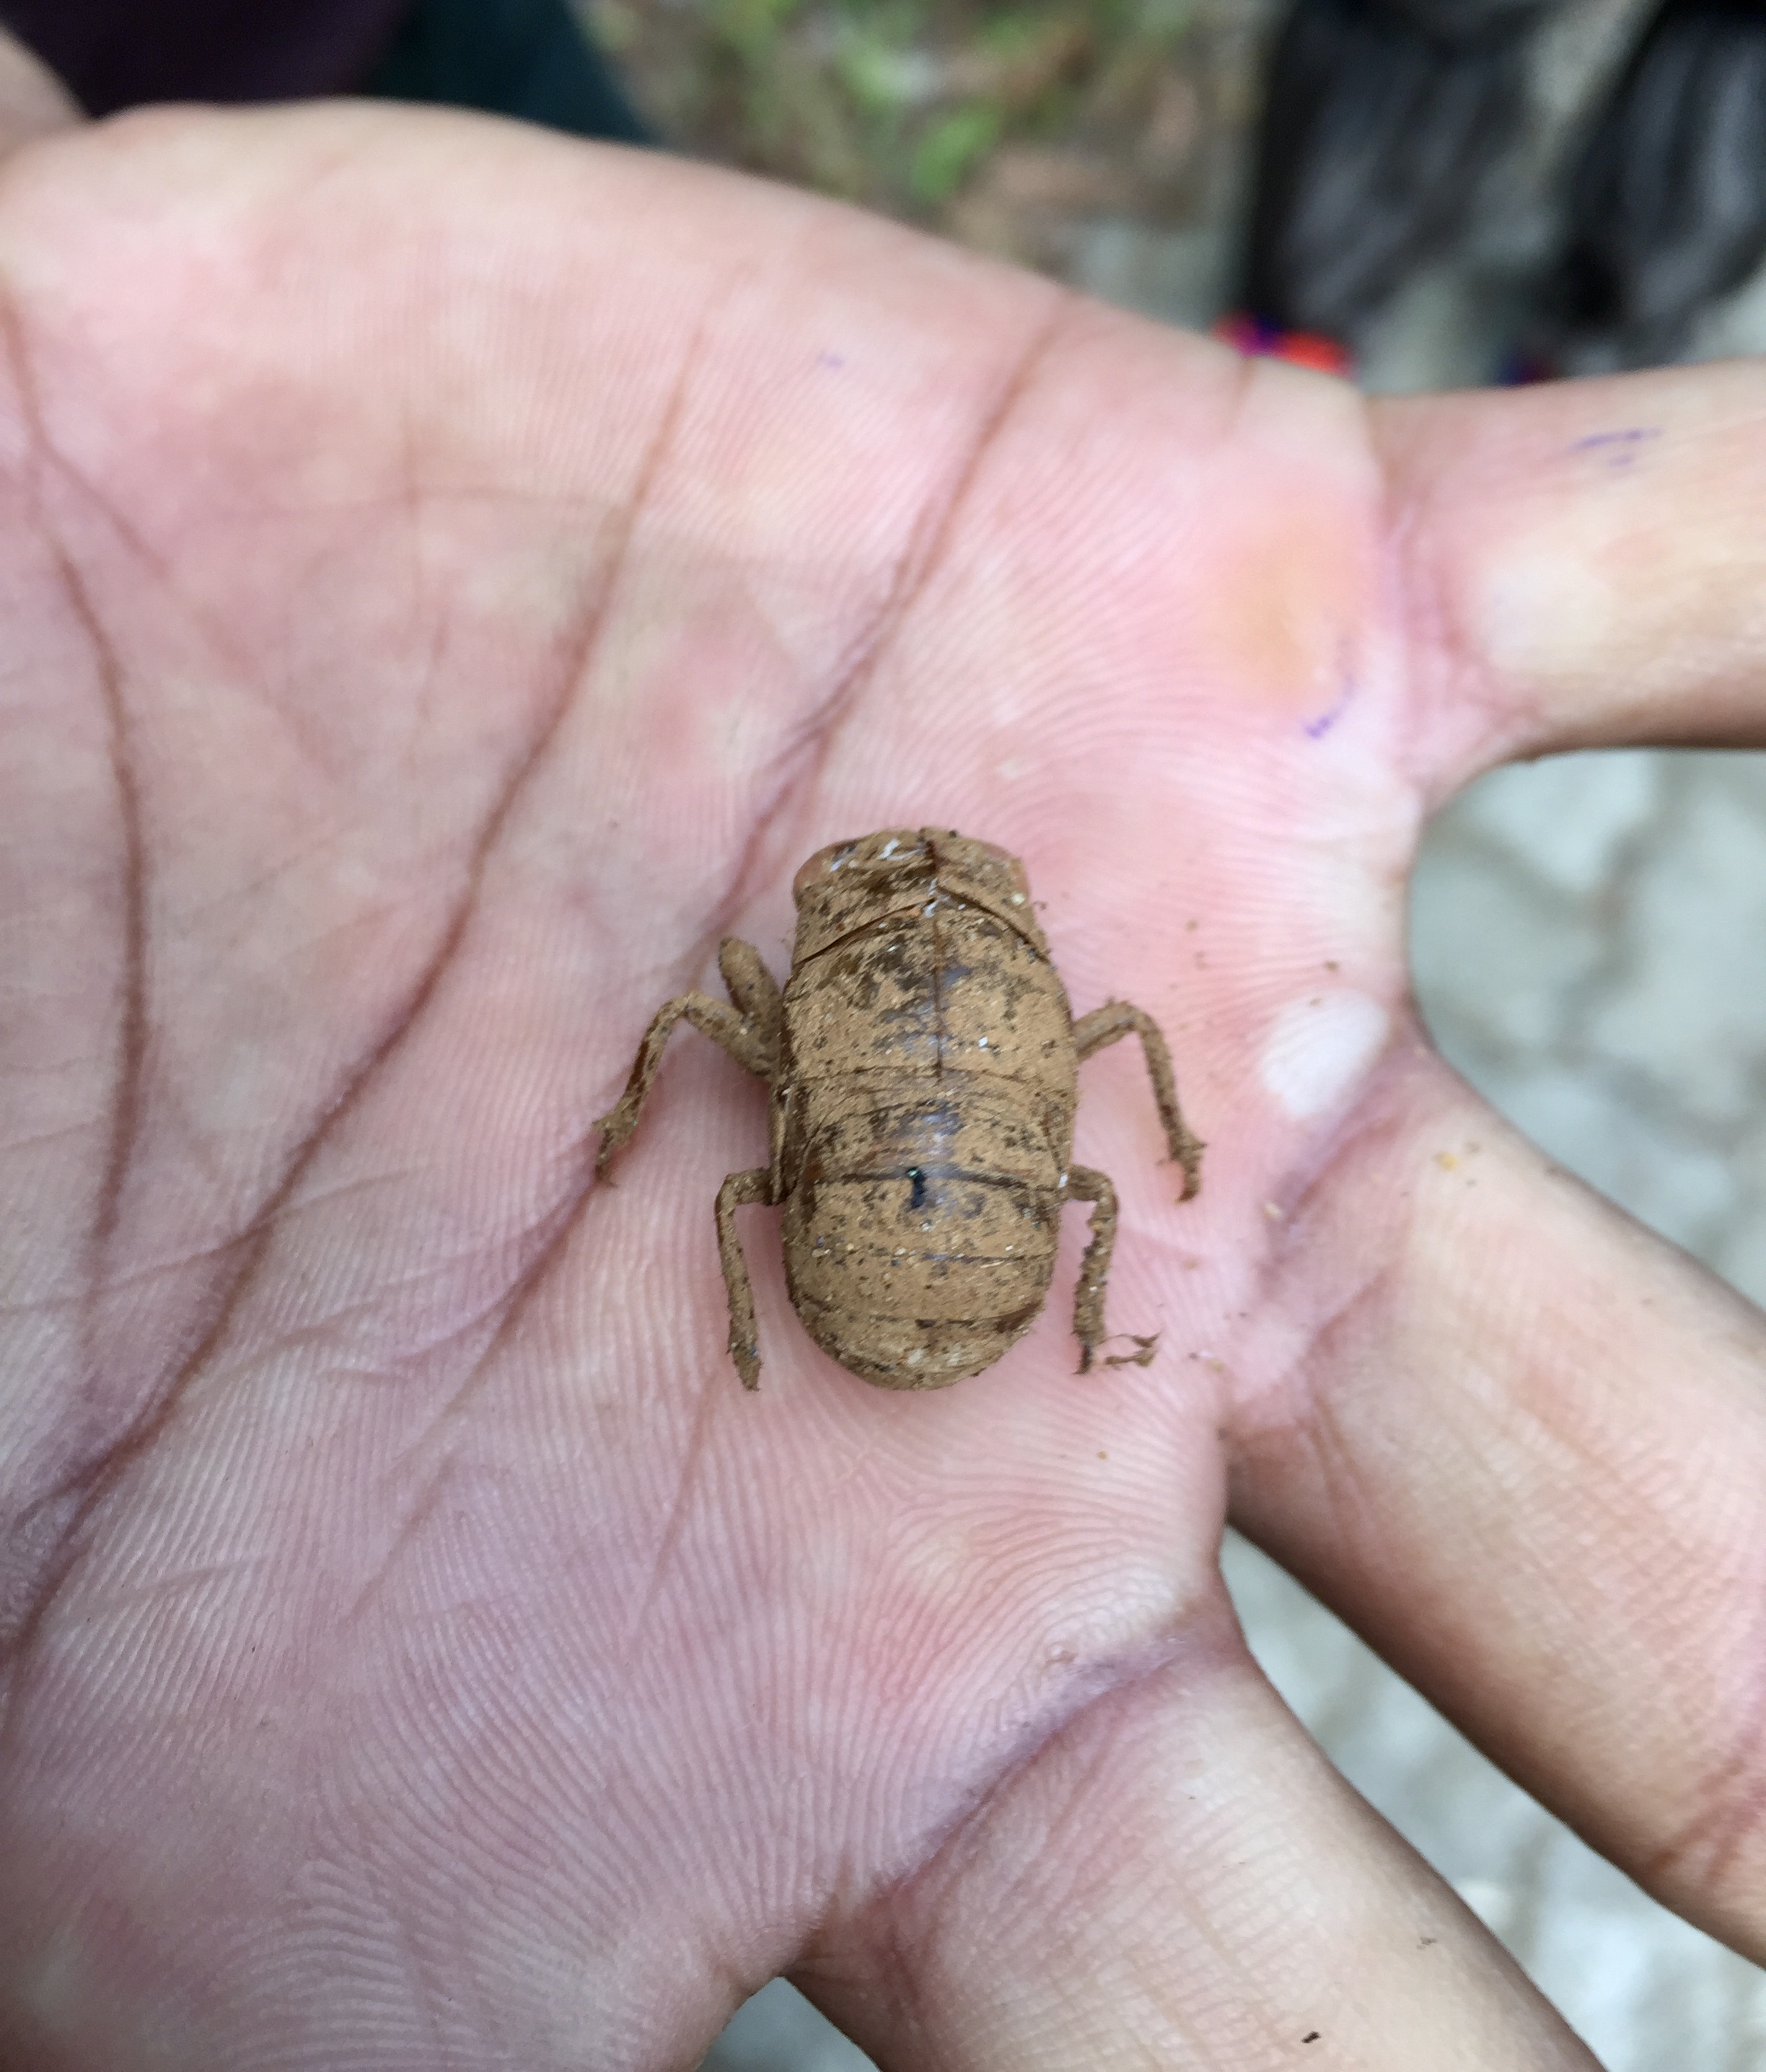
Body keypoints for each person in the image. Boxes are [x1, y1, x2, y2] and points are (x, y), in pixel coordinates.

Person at [0, 33, 1760, 2070]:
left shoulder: (802, 990)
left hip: (865, 1252)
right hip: (974, 1242)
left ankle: (822, 1331)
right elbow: (1116, 1046)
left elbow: (706, 1030)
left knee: (741, 1105)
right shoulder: (1053, 999)